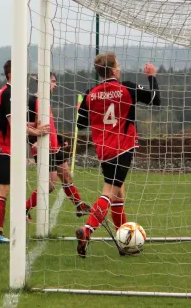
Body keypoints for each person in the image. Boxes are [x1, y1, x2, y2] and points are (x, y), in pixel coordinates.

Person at [74, 52, 160, 257]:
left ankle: (123, 243)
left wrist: (81, 108)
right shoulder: (127, 88)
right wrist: (151, 76)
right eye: (118, 65)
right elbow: (156, 100)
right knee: (110, 193)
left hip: (104, 151)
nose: (120, 68)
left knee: (119, 194)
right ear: (113, 70)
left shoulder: (91, 93)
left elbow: (80, 124)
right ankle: (87, 231)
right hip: (123, 147)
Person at [0, 60, 50, 244]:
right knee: (2, 189)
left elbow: (13, 122)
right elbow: (15, 124)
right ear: (11, 74)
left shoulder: (7, 92)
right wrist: (35, 132)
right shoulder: (10, 93)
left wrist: (30, 125)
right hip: (0, 147)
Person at [25, 72, 90, 221]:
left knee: (66, 177)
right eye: (53, 81)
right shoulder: (33, 100)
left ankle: (79, 206)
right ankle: (25, 208)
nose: (56, 84)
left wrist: (59, 140)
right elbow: (29, 126)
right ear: (43, 82)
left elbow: (49, 126)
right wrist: (33, 142)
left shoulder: (45, 101)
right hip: (42, 147)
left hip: (55, 147)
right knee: (50, 184)